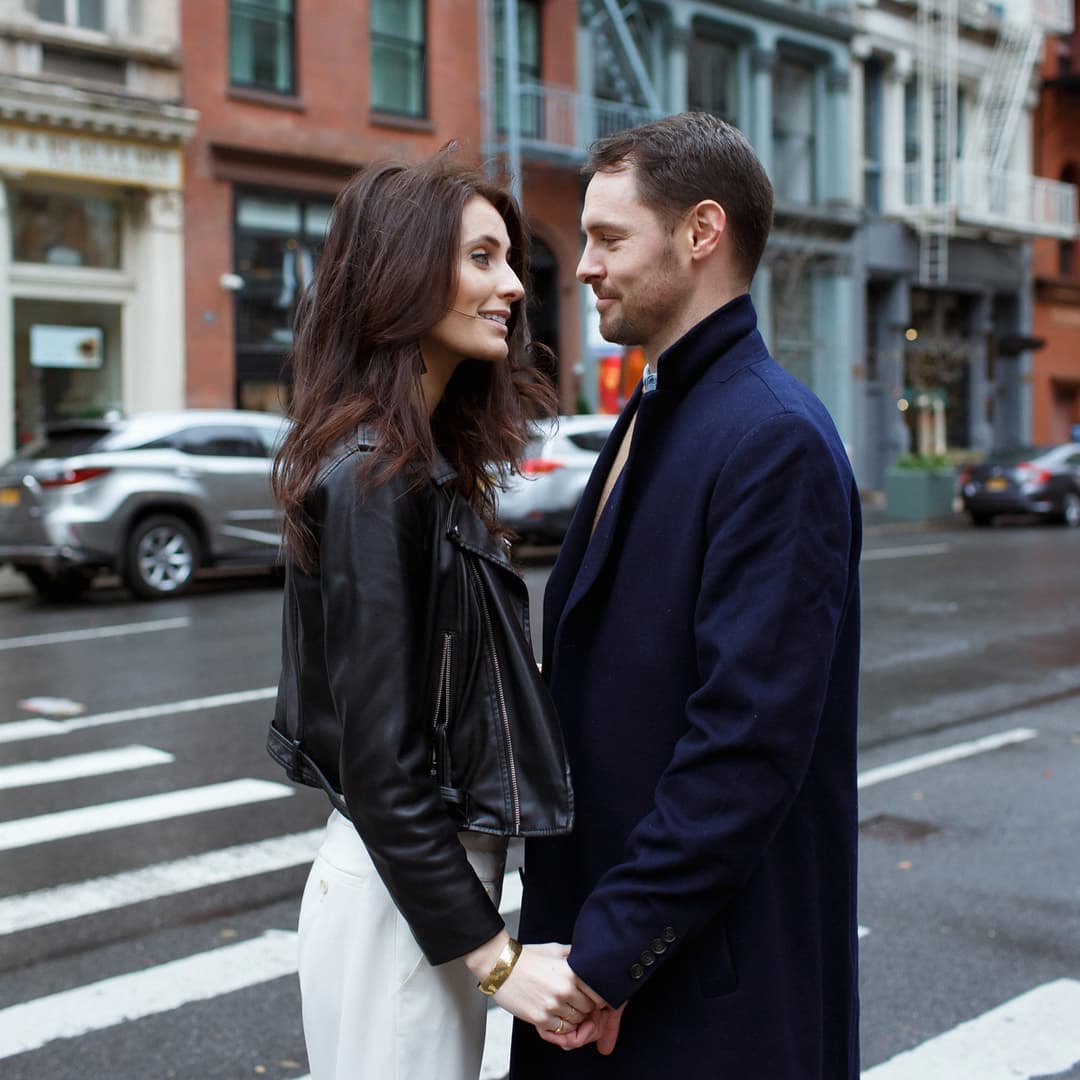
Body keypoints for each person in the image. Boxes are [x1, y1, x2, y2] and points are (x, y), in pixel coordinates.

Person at [510, 112, 862, 1078]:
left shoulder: (771, 436)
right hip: (613, 947)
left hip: (707, 989)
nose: (581, 266)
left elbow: (744, 747)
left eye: (609, 237)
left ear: (701, 232)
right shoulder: (658, 409)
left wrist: (610, 960)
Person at [266, 155, 602, 1080]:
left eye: (509, 260)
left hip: (414, 899)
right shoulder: (380, 478)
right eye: (482, 258)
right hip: (401, 905)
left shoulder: (410, 464)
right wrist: (496, 960)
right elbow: (382, 771)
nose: (511, 286)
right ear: (404, 273)